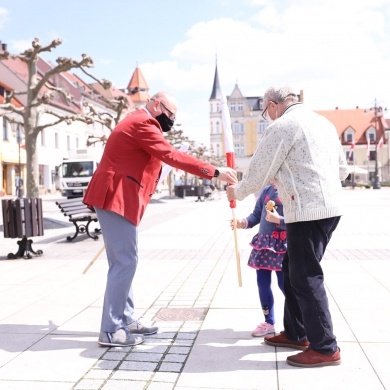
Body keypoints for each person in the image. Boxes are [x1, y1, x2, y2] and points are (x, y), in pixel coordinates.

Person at [83, 91, 237, 347]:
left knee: (124, 263)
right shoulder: (144, 123)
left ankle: (126, 319)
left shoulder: (138, 122)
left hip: (118, 197)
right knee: (124, 264)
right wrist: (215, 172)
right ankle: (111, 330)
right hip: (116, 197)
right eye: (169, 114)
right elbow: (172, 156)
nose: (171, 121)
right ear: (156, 105)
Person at [227, 85, 349, 368]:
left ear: (272, 105)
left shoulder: (282, 126)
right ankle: (297, 332)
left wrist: (238, 191)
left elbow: (260, 170)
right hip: (328, 207)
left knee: (305, 276)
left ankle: (325, 347)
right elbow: (343, 170)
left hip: (307, 210)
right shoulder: (324, 123)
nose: (267, 118)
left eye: (266, 113)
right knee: (292, 267)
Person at [232, 182, 286, 337]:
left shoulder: (288, 189)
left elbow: (295, 220)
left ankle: (297, 320)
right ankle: (269, 322)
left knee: (285, 285)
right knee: (262, 284)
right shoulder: (267, 190)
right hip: (263, 245)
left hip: (281, 246)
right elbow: (256, 215)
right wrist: (242, 223)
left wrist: (279, 220)